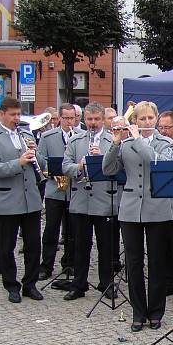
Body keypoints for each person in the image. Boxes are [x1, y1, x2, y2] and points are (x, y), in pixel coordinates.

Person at [102, 101, 173, 331]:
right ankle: (138, 311)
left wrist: (139, 139)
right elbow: (108, 169)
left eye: (150, 119)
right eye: (141, 119)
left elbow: (155, 162)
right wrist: (115, 143)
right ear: (135, 121)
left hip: (158, 207)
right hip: (131, 207)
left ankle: (156, 311)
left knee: (156, 261)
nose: (146, 122)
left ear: (156, 119)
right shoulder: (124, 144)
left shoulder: (164, 143)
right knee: (133, 262)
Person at [0, 97, 45, 303]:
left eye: (19, 114)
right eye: (12, 115)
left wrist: (35, 152)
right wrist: (18, 162)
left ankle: (30, 284)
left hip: (31, 199)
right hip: (8, 198)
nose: (16, 118)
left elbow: (42, 163)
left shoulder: (26, 134)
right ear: (1, 114)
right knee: (7, 246)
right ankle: (11, 285)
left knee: (34, 245)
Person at [61, 102, 120, 301]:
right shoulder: (75, 140)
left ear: (103, 119)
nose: (92, 123)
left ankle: (106, 284)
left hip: (104, 200)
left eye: (96, 119)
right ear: (84, 119)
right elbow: (65, 166)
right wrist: (79, 165)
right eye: (89, 119)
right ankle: (79, 285)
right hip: (81, 200)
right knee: (80, 246)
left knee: (106, 247)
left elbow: (119, 167)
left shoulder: (112, 139)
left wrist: (102, 158)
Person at [37, 103, 79, 282]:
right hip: (55, 189)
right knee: (51, 229)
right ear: (60, 118)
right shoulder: (47, 136)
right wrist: (50, 171)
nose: (70, 121)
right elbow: (41, 160)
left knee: (72, 230)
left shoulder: (80, 136)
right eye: (66, 118)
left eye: (73, 118)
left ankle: (69, 263)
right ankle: (46, 265)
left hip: (74, 189)